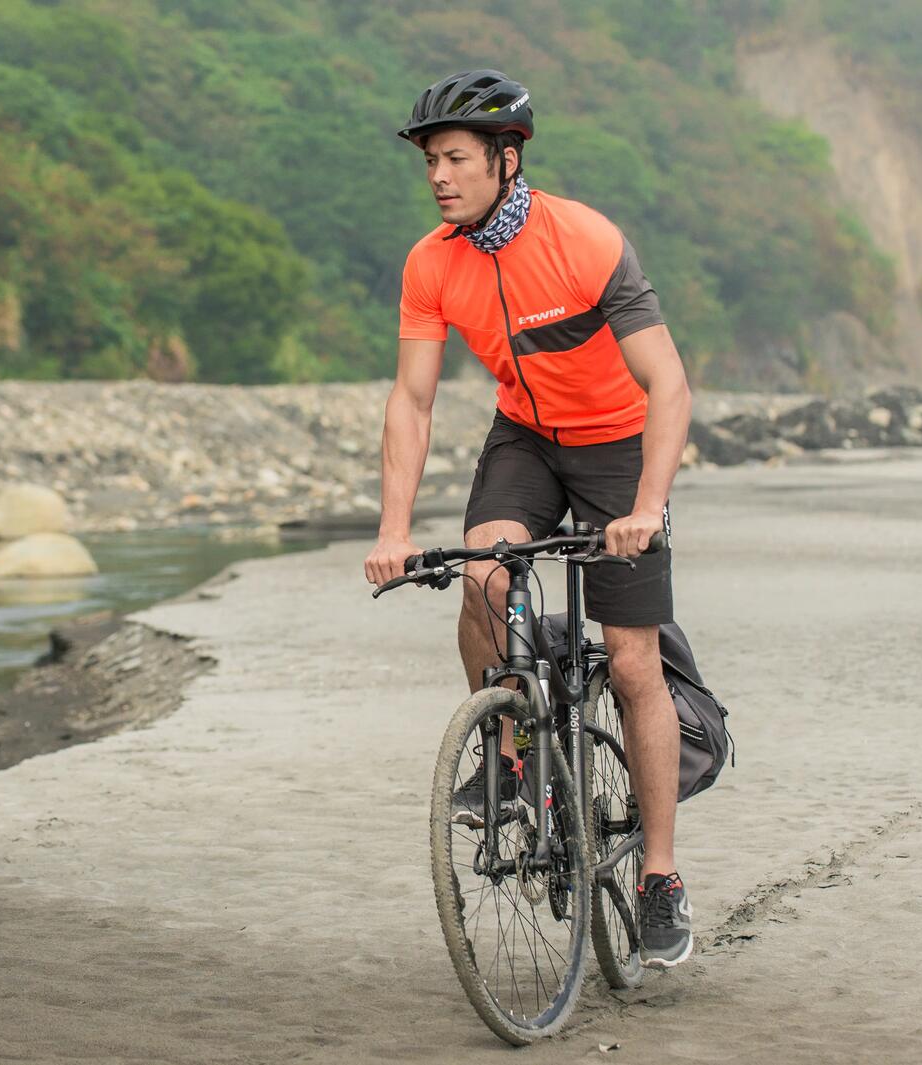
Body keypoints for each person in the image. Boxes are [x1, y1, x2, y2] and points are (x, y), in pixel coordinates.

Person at [363, 70, 696, 969]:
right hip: (526, 439)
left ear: (507, 161)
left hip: (618, 446)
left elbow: (668, 383)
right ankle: (512, 763)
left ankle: (659, 876)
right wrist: (394, 529)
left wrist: (646, 508)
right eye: (431, 160)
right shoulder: (432, 261)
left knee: (632, 659)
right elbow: (412, 400)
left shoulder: (585, 240)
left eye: (457, 158)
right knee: (483, 574)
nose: (439, 176)